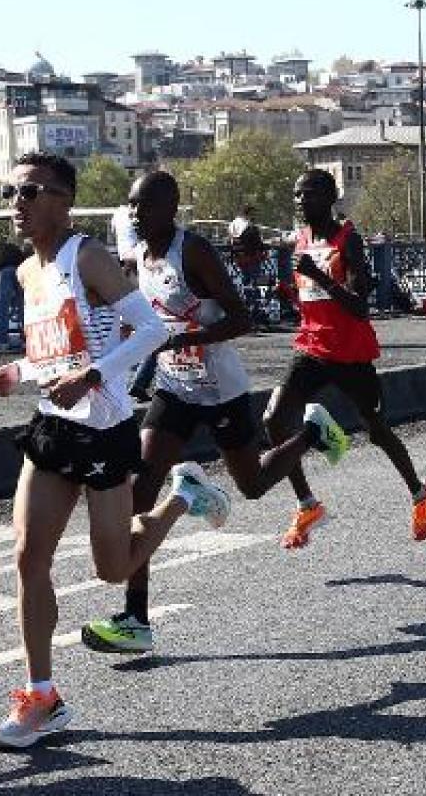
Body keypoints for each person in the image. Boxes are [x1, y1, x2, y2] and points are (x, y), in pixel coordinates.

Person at [0, 152, 230, 750]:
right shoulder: (25, 273)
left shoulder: (86, 257)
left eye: (32, 192)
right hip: (53, 426)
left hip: (105, 427)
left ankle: (180, 499)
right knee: (26, 556)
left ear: (63, 200)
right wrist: (18, 372)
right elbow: (51, 356)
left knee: (112, 568)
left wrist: (94, 376)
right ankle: (42, 695)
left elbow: (151, 329)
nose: (19, 203)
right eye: (12, 192)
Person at [81, 171, 341, 656]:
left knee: (252, 486)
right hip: (175, 387)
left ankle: (310, 432)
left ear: (171, 208)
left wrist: (187, 339)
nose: (136, 216)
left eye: (145, 207)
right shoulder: (139, 255)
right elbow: (139, 317)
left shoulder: (192, 250)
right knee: (139, 492)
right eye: (131, 207)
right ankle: (136, 617)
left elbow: (242, 317)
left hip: (220, 388)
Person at [264, 168, 426, 548]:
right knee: (275, 420)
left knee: (376, 429)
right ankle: (307, 503)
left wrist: (320, 277)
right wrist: (291, 297)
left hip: (350, 353)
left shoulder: (349, 240)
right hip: (310, 346)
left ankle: (419, 492)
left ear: (329, 199)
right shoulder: (301, 240)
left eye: (307, 195)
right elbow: (315, 302)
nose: (299, 202)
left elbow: (359, 306)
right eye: (296, 195)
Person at [0, 238, 26, 349]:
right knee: (22, 307)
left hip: (2, 272)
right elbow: (24, 260)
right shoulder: (15, 248)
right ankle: (25, 340)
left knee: (3, 308)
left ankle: (3, 341)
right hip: (19, 270)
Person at [109, 201, 139, 270]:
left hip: (122, 255)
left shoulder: (117, 213)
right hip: (134, 256)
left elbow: (113, 232)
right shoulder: (136, 215)